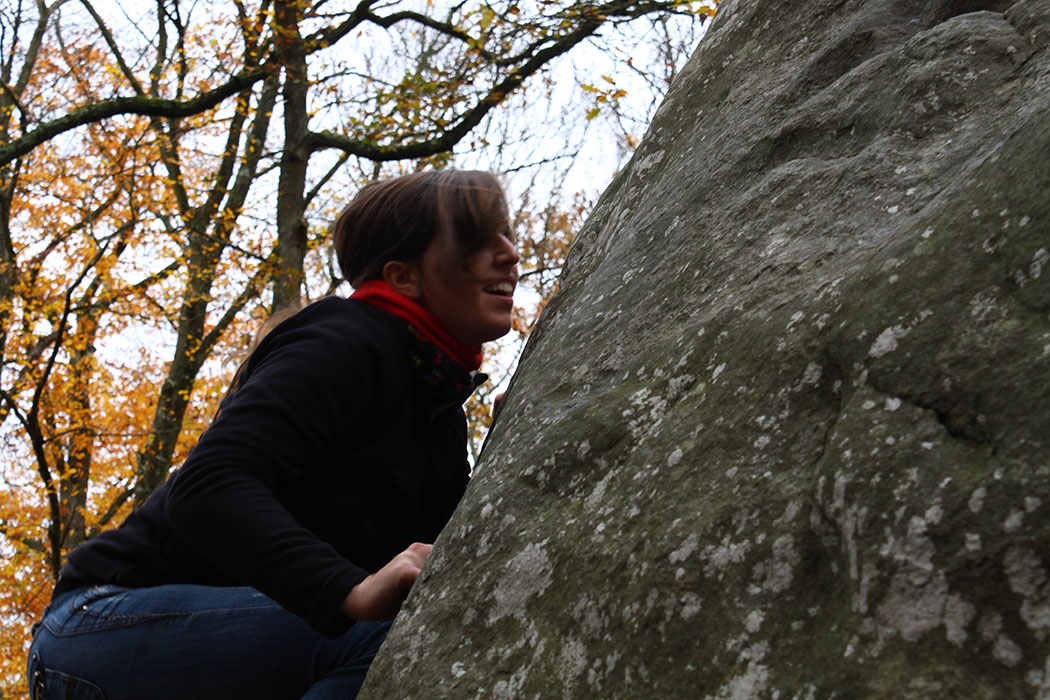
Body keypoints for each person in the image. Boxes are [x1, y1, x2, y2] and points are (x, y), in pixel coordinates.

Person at [26, 170, 520, 700]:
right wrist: (349, 588)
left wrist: (513, 454)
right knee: (402, 640)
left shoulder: (436, 406)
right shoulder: (349, 338)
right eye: (475, 239)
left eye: (505, 234)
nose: (510, 253)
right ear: (403, 277)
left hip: (225, 641)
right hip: (99, 628)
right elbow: (209, 486)